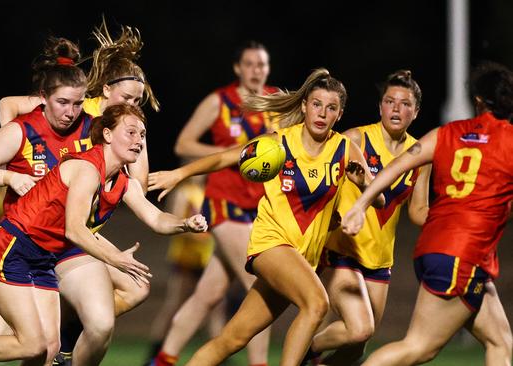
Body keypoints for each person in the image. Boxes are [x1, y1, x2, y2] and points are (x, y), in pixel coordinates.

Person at [0, 103, 207, 366]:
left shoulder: (122, 181)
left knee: (48, 349)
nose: (139, 141)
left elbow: (156, 218)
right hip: (13, 248)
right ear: (108, 135)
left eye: (143, 135)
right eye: (132, 133)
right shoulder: (88, 169)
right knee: (30, 343)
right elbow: (74, 230)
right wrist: (115, 258)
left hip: (43, 258)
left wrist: (185, 224)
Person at [149, 68, 384, 366]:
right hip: (270, 246)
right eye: (316, 104)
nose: (322, 113)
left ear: (340, 114)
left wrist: (364, 183)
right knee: (317, 303)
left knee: (231, 339)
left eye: (331, 107)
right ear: (303, 106)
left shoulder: (345, 149)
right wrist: (179, 173)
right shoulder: (278, 143)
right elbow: (224, 157)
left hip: (302, 258)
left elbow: (379, 197)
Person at [0, 22, 161, 366]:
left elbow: (141, 188)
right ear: (105, 90)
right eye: (128, 98)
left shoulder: (112, 131)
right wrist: (13, 167)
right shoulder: (74, 109)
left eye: (138, 101)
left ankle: (67, 335)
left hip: (68, 241)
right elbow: (9, 104)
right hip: (27, 234)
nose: (133, 104)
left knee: (133, 288)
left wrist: (137, 134)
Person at [342, 62, 513, 366]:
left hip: (435, 248)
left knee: (501, 342)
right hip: (463, 255)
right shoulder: (509, 139)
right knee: (418, 348)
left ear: (477, 101)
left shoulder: (446, 133)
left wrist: (361, 203)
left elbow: (396, 166)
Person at [150, 41, 278, 366]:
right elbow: (183, 143)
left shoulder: (277, 101)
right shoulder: (219, 101)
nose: (256, 70)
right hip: (225, 205)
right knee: (261, 287)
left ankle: (162, 360)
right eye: (249, 64)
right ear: (238, 68)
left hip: (261, 208)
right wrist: (234, 154)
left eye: (261, 65)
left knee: (207, 295)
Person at [303, 70, 431, 365]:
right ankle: (304, 348)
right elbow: (320, 180)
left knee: (356, 348)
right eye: (389, 101)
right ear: (380, 107)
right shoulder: (355, 139)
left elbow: (418, 211)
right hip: (342, 251)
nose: (396, 108)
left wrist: (456, 216)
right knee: (359, 330)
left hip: (379, 261)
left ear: (417, 111)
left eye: (405, 103)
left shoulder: (420, 155)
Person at [144, 176, 229, 364]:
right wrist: (200, 234)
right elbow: (174, 220)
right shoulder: (184, 192)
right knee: (175, 304)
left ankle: (221, 354)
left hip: (207, 256)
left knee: (217, 307)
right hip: (186, 256)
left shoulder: (211, 192)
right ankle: (155, 351)